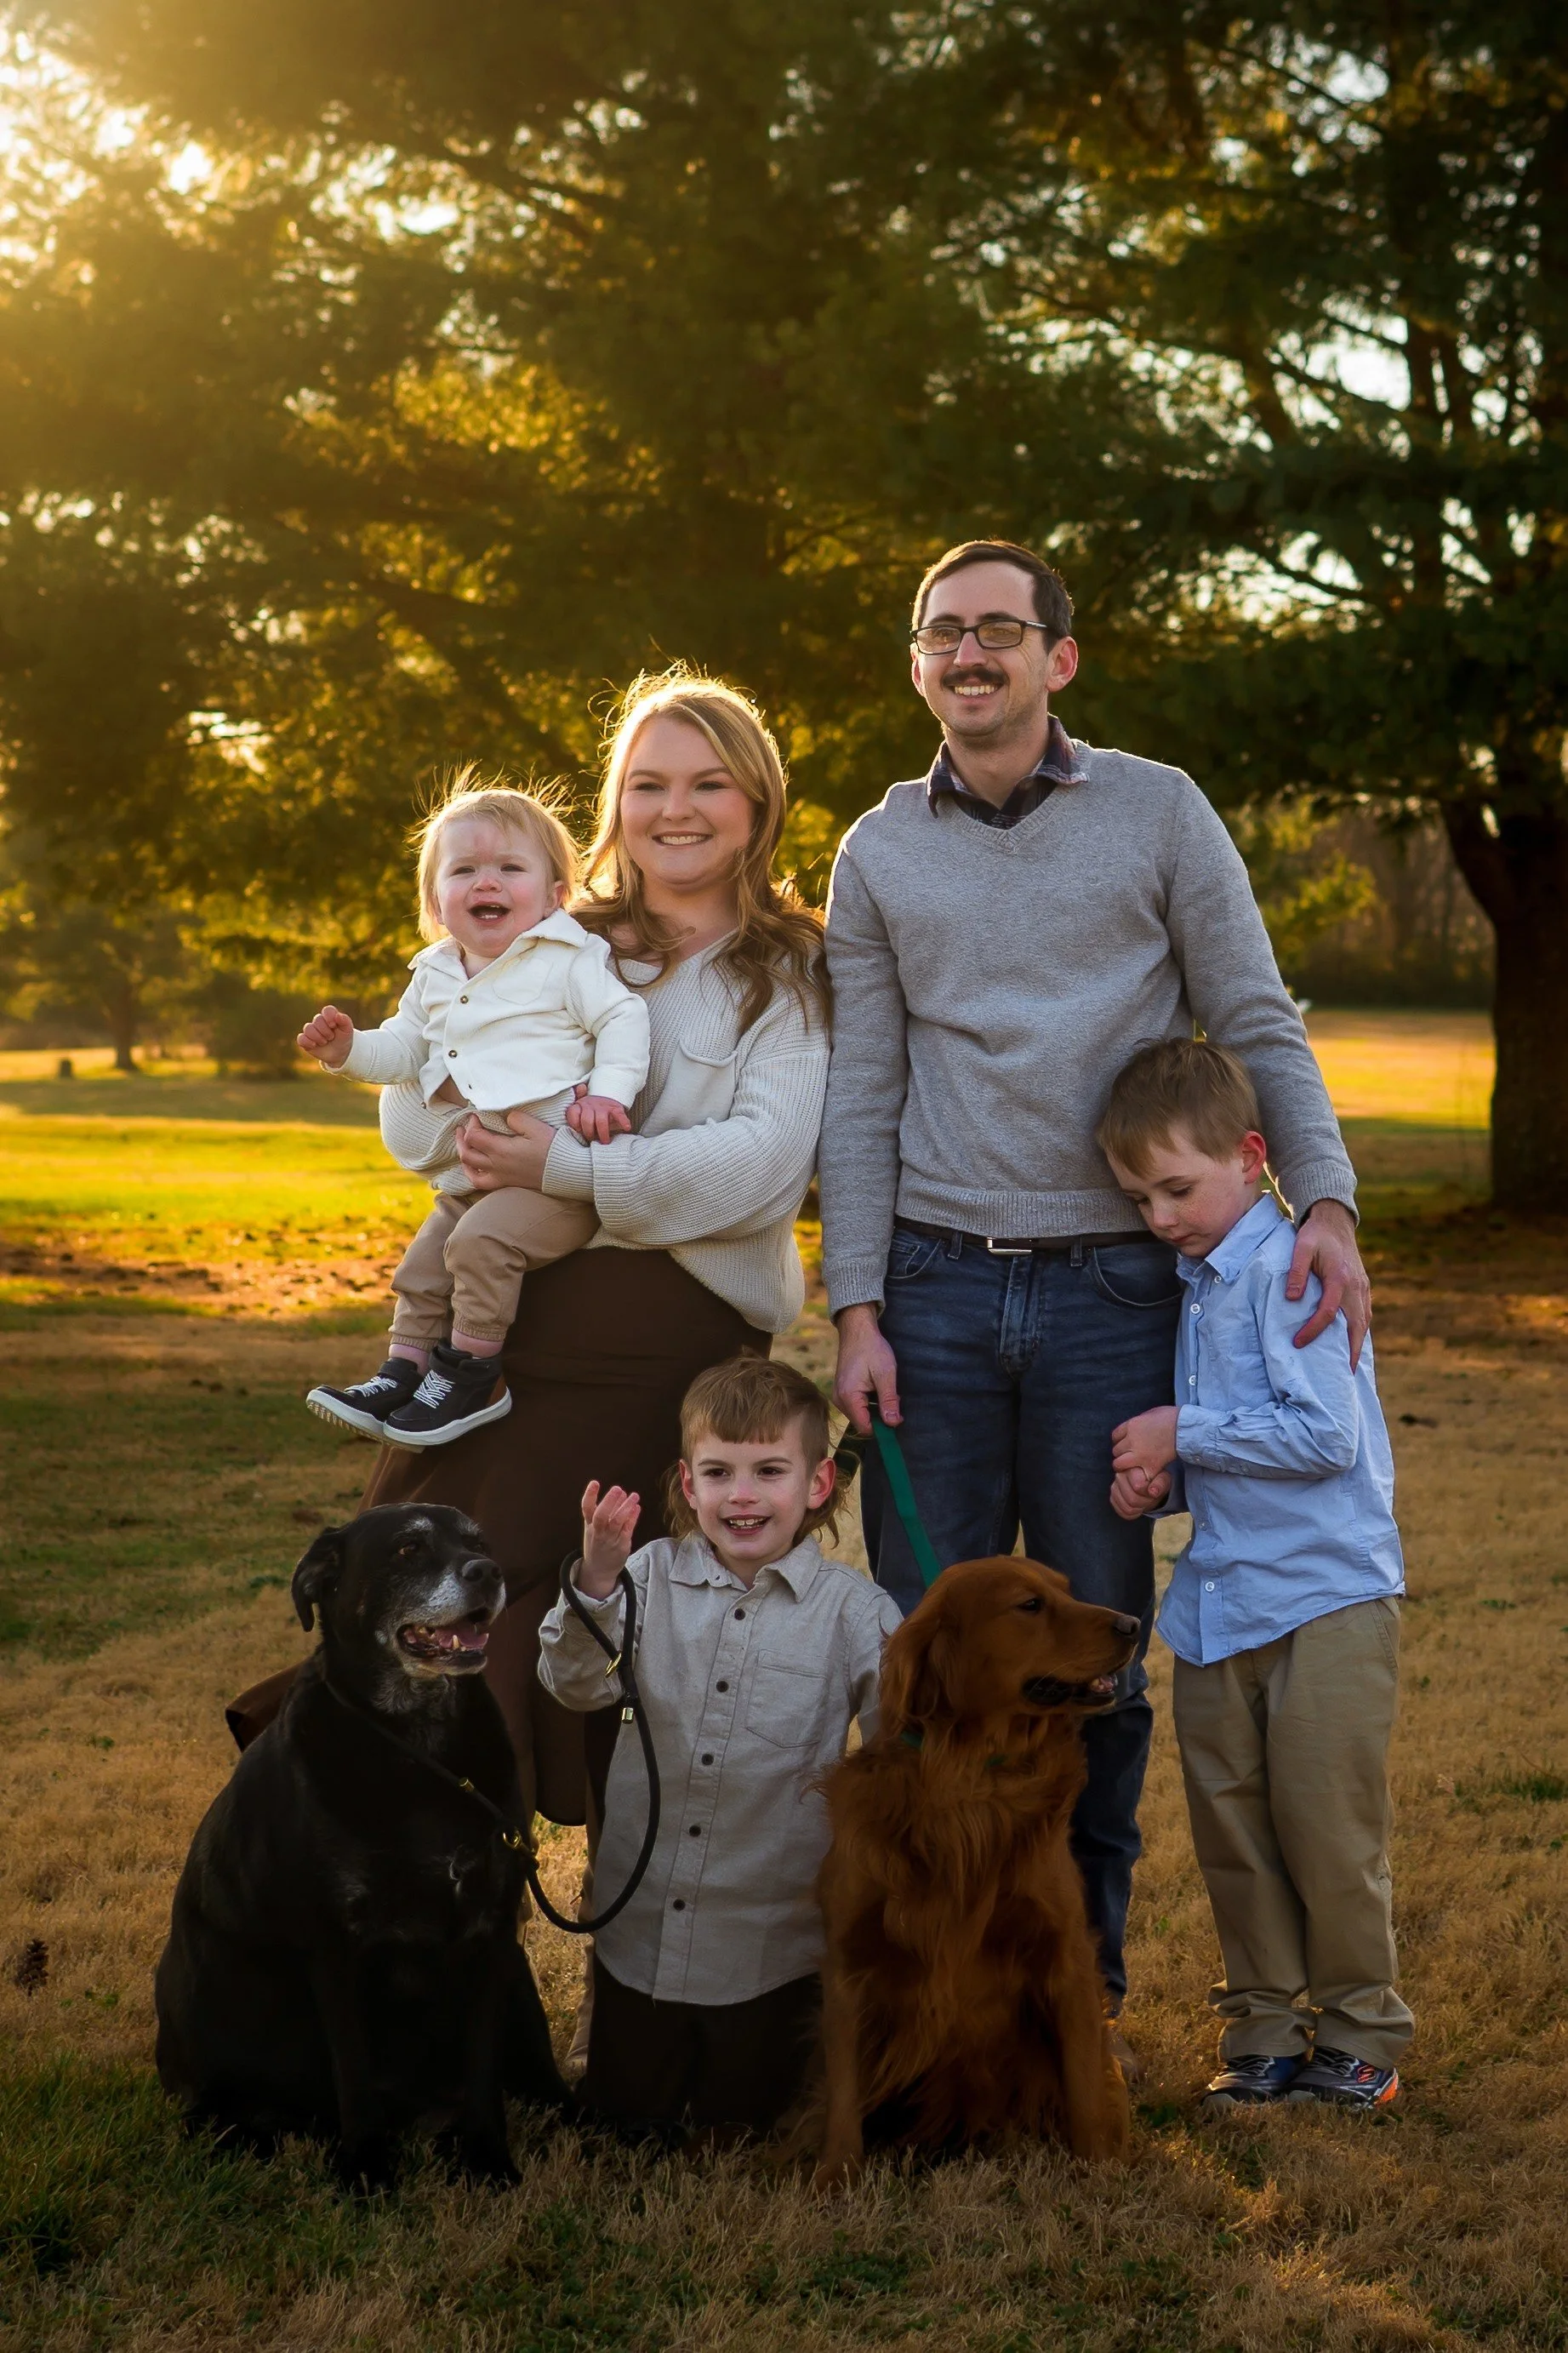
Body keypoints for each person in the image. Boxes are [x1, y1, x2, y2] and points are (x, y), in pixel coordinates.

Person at [818, 537, 1369, 2036]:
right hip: (928, 1284)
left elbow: (1253, 1011)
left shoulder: (1157, 812)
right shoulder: (873, 853)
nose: (969, 653)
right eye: (943, 633)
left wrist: (1320, 1198)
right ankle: (916, 1973)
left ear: (1057, 660)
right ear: (918, 662)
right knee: (922, 1645)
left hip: (1115, 1298)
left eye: (1001, 629)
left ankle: (1081, 1981)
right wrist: (853, 1305)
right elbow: (860, 1085)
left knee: (1090, 1657)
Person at [1099, 1038, 1410, 2112]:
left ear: (1251, 1154)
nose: (1159, 1216)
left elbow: (1323, 1434)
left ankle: (1361, 2032)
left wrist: (1186, 1426)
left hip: (1325, 1598)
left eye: (1177, 1187)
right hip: (1224, 1601)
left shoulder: (1290, 1269)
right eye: (1140, 1197)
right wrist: (1170, 1475)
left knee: (1325, 1828)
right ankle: (1265, 2032)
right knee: (1232, 1831)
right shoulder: (1199, 1281)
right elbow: (1248, 1451)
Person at [538, 1356, 903, 2139]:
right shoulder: (646, 1575)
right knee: (628, 2119)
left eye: (769, 1470)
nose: (742, 1494)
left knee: (742, 2123)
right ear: (688, 1481)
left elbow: (900, 1743)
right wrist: (595, 1581)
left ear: (816, 1485)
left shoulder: (852, 1612)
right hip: (641, 1935)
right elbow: (575, 1685)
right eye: (719, 1472)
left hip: (767, 1945)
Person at [299, 779, 650, 1448]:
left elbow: (622, 1018)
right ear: (436, 901)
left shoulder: (568, 958)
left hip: (556, 1178)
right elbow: (404, 1048)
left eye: (510, 868)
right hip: (473, 1177)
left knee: (479, 1246)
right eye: (464, 870)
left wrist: (609, 1092)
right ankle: (404, 1369)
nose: (486, 881)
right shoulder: (434, 971)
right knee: (426, 1260)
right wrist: (348, 1050)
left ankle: (469, 1376)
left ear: (554, 896)